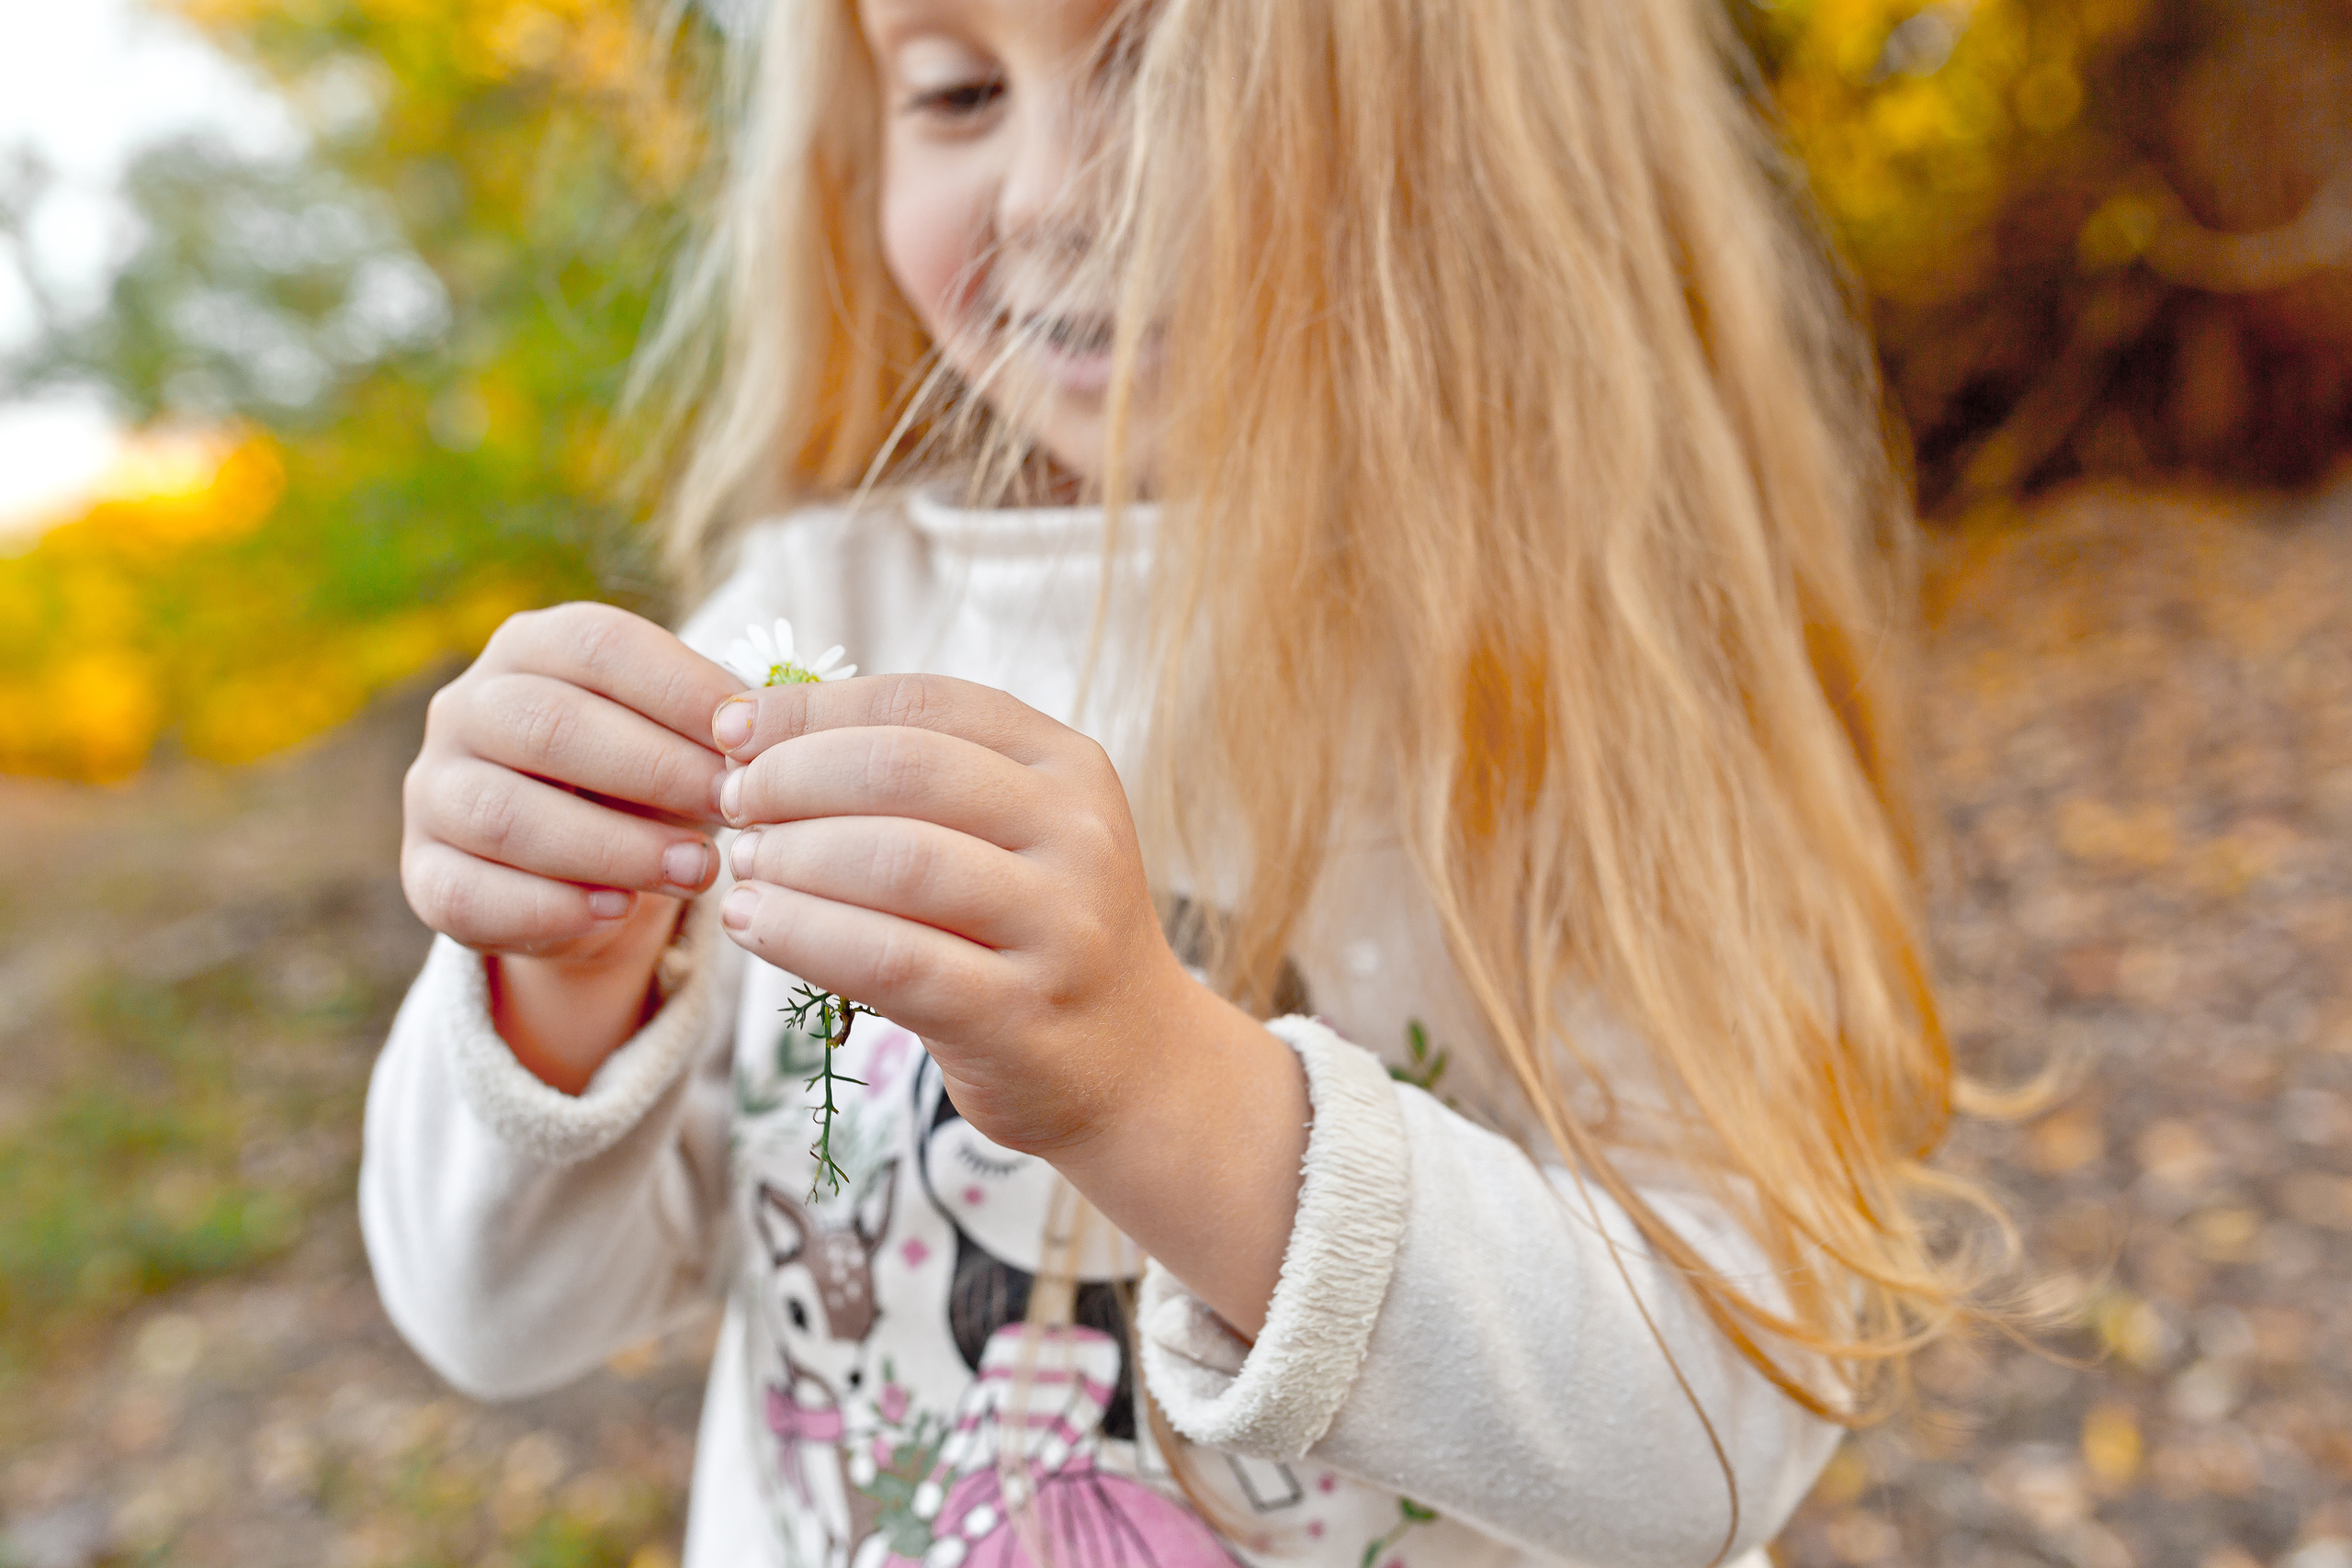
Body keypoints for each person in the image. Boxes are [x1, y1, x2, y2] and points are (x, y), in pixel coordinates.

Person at [362, 1, 2007, 1564]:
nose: (1050, 190)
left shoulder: (1586, 674)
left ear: (1484, 116)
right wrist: (560, 979)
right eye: (956, 89)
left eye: (1167, 63)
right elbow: (493, 1320)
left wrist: (1159, 1089)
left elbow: (1719, 1426)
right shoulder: (809, 630)